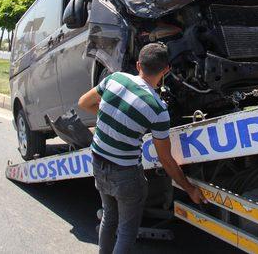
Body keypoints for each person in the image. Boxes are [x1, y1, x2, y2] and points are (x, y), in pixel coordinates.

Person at [78, 43, 205, 254]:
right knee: (127, 231)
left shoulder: (114, 79)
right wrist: (189, 188)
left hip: (98, 162)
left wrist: (111, 117)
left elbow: (84, 102)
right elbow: (166, 160)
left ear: (138, 64)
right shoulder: (158, 109)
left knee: (109, 217)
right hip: (126, 175)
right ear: (166, 70)